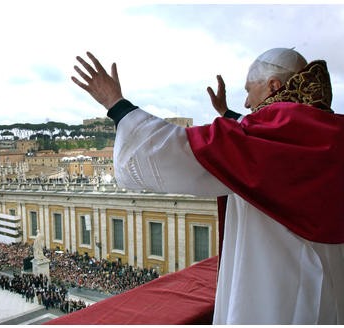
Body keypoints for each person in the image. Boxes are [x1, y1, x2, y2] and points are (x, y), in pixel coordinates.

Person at [71, 49, 344, 324]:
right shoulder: (330, 132)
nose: (247, 103)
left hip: (278, 296)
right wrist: (227, 113)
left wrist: (116, 104)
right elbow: (265, 142)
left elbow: (170, 151)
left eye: (249, 90)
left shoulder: (264, 140)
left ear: (274, 86)